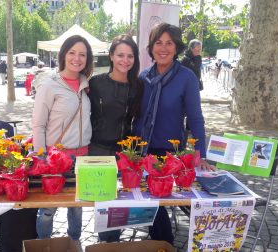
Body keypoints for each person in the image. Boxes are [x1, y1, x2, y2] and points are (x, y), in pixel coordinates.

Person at [133, 23, 215, 246]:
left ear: (177, 47)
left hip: (171, 155)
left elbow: (195, 119)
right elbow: (137, 115)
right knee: (150, 205)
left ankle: (182, 242)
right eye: (158, 42)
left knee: (175, 203)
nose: (163, 48)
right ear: (151, 47)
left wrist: (201, 154)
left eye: (169, 43)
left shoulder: (186, 78)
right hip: (143, 153)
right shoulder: (144, 77)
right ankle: (164, 244)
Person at [32, 35, 93, 251]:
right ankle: (43, 245)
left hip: (82, 157)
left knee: (76, 206)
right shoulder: (49, 85)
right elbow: (38, 125)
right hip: (56, 157)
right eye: (72, 53)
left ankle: (74, 242)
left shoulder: (86, 85)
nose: (77, 58)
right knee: (48, 208)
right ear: (63, 55)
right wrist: (41, 157)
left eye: (82, 54)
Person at [88, 34, 143, 243]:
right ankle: (104, 244)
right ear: (111, 56)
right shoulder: (96, 83)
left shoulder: (138, 86)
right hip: (98, 150)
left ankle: (115, 243)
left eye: (130, 56)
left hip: (125, 152)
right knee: (102, 203)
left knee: (121, 203)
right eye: (120, 55)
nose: (125, 60)